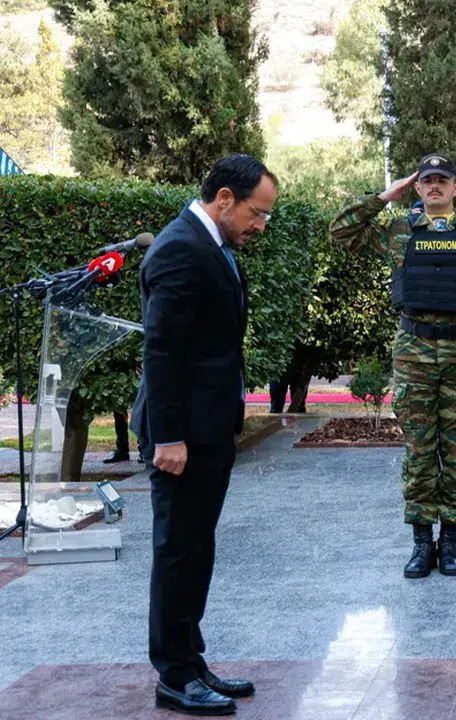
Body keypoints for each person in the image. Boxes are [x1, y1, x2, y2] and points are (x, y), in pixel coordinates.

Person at [130, 153, 276, 716]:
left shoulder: (211, 245)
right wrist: (168, 437)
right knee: (177, 551)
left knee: (196, 548)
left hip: (207, 427)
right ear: (224, 199)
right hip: (181, 436)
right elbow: (162, 351)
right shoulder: (179, 249)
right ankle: (173, 675)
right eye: (257, 213)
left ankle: (191, 661)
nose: (260, 225)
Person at [330, 153, 456, 579]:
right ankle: (420, 543)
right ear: (416, 187)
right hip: (413, 353)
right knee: (418, 452)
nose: (434, 185)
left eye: (442, 180)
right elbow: (341, 230)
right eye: (427, 180)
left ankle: (449, 542)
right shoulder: (400, 231)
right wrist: (384, 195)